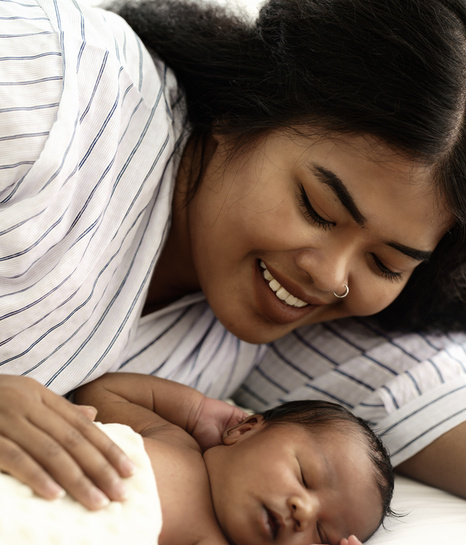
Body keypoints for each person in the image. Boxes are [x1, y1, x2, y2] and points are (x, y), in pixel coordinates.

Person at [0, 0, 466, 508]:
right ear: (241, 108)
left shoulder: (292, 332)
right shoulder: (49, 78)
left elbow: (420, 394)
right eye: (318, 209)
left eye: (385, 264)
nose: (332, 278)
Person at [74, 372, 393, 545]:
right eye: (304, 476)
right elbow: (100, 391)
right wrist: (195, 409)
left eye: (322, 532)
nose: (305, 512)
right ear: (245, 429)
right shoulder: (173, 439)